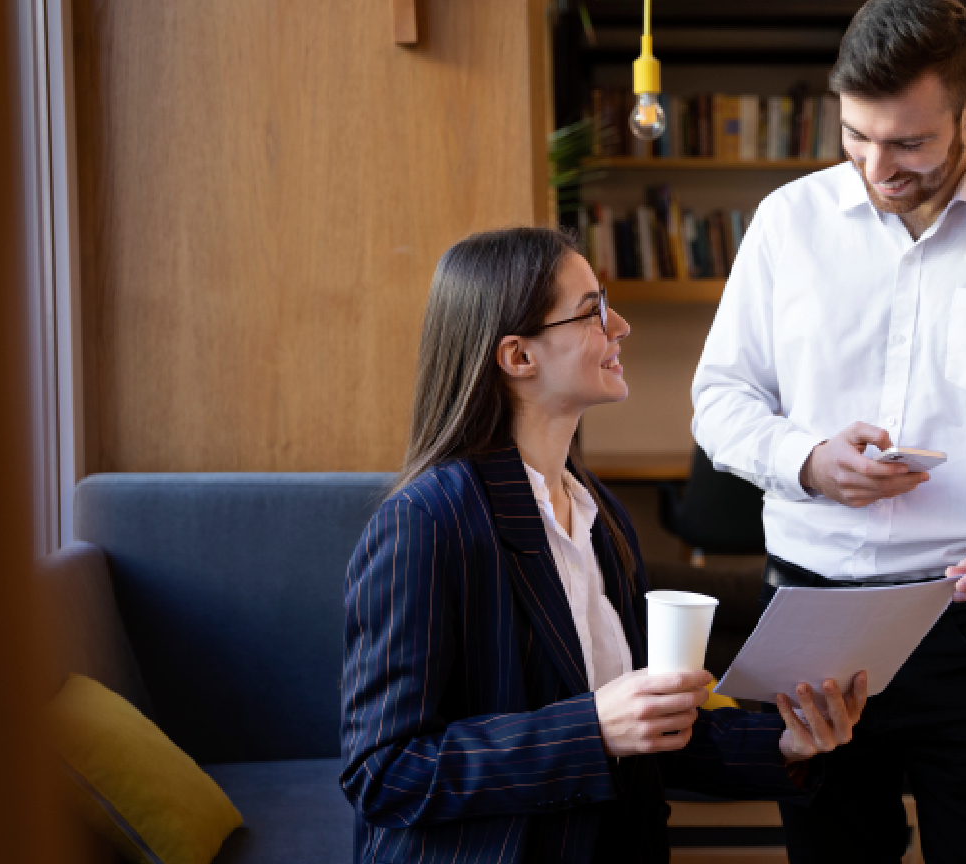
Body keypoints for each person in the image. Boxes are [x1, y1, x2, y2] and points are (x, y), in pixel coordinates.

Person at [690, 1, 966, 861]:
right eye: (856, 137)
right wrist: (807, 462)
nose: (876, 166)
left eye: (907, 143)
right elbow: (720, 398)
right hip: (812, 618)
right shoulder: (788, 224)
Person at [339, 226, 868, 864]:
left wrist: (786, 743)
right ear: (518, 357)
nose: (619, 325)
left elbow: (646, 724)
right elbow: (385, 772)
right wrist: (590, 730)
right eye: (592, 310)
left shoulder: (598, 512)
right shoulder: (426, 524)